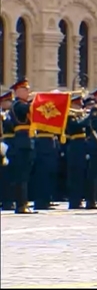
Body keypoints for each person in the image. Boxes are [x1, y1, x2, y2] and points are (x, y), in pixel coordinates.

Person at [8, 79, 36, 214]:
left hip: (27, 141)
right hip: (21, 142)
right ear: (18, 91)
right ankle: (20, 204)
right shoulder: (18, 105)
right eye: (26, 90)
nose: (29, 92)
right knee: (21, 176)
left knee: (25, 175)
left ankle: (23, 202)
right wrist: (38, 101)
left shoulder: (24, 104)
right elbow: (28, 109)